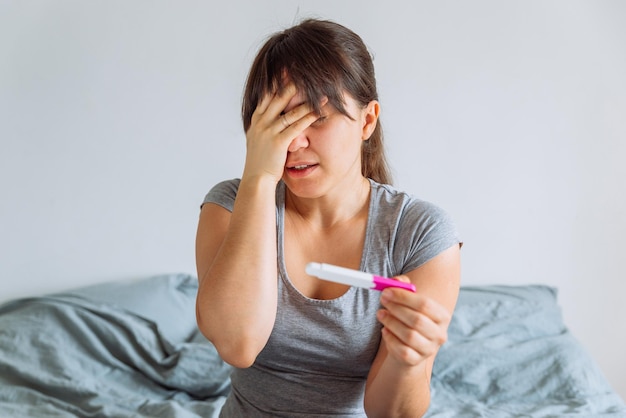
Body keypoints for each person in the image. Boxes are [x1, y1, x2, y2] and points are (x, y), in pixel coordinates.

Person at [195, 18, 462, 418]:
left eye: (317, 118)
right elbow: (238, 345)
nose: (294, 142)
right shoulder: (232, 204)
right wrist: (259, 177)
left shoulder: (420, 232)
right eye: (279, 121)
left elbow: (390, 412)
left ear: (367, 121)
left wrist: (409, 361)